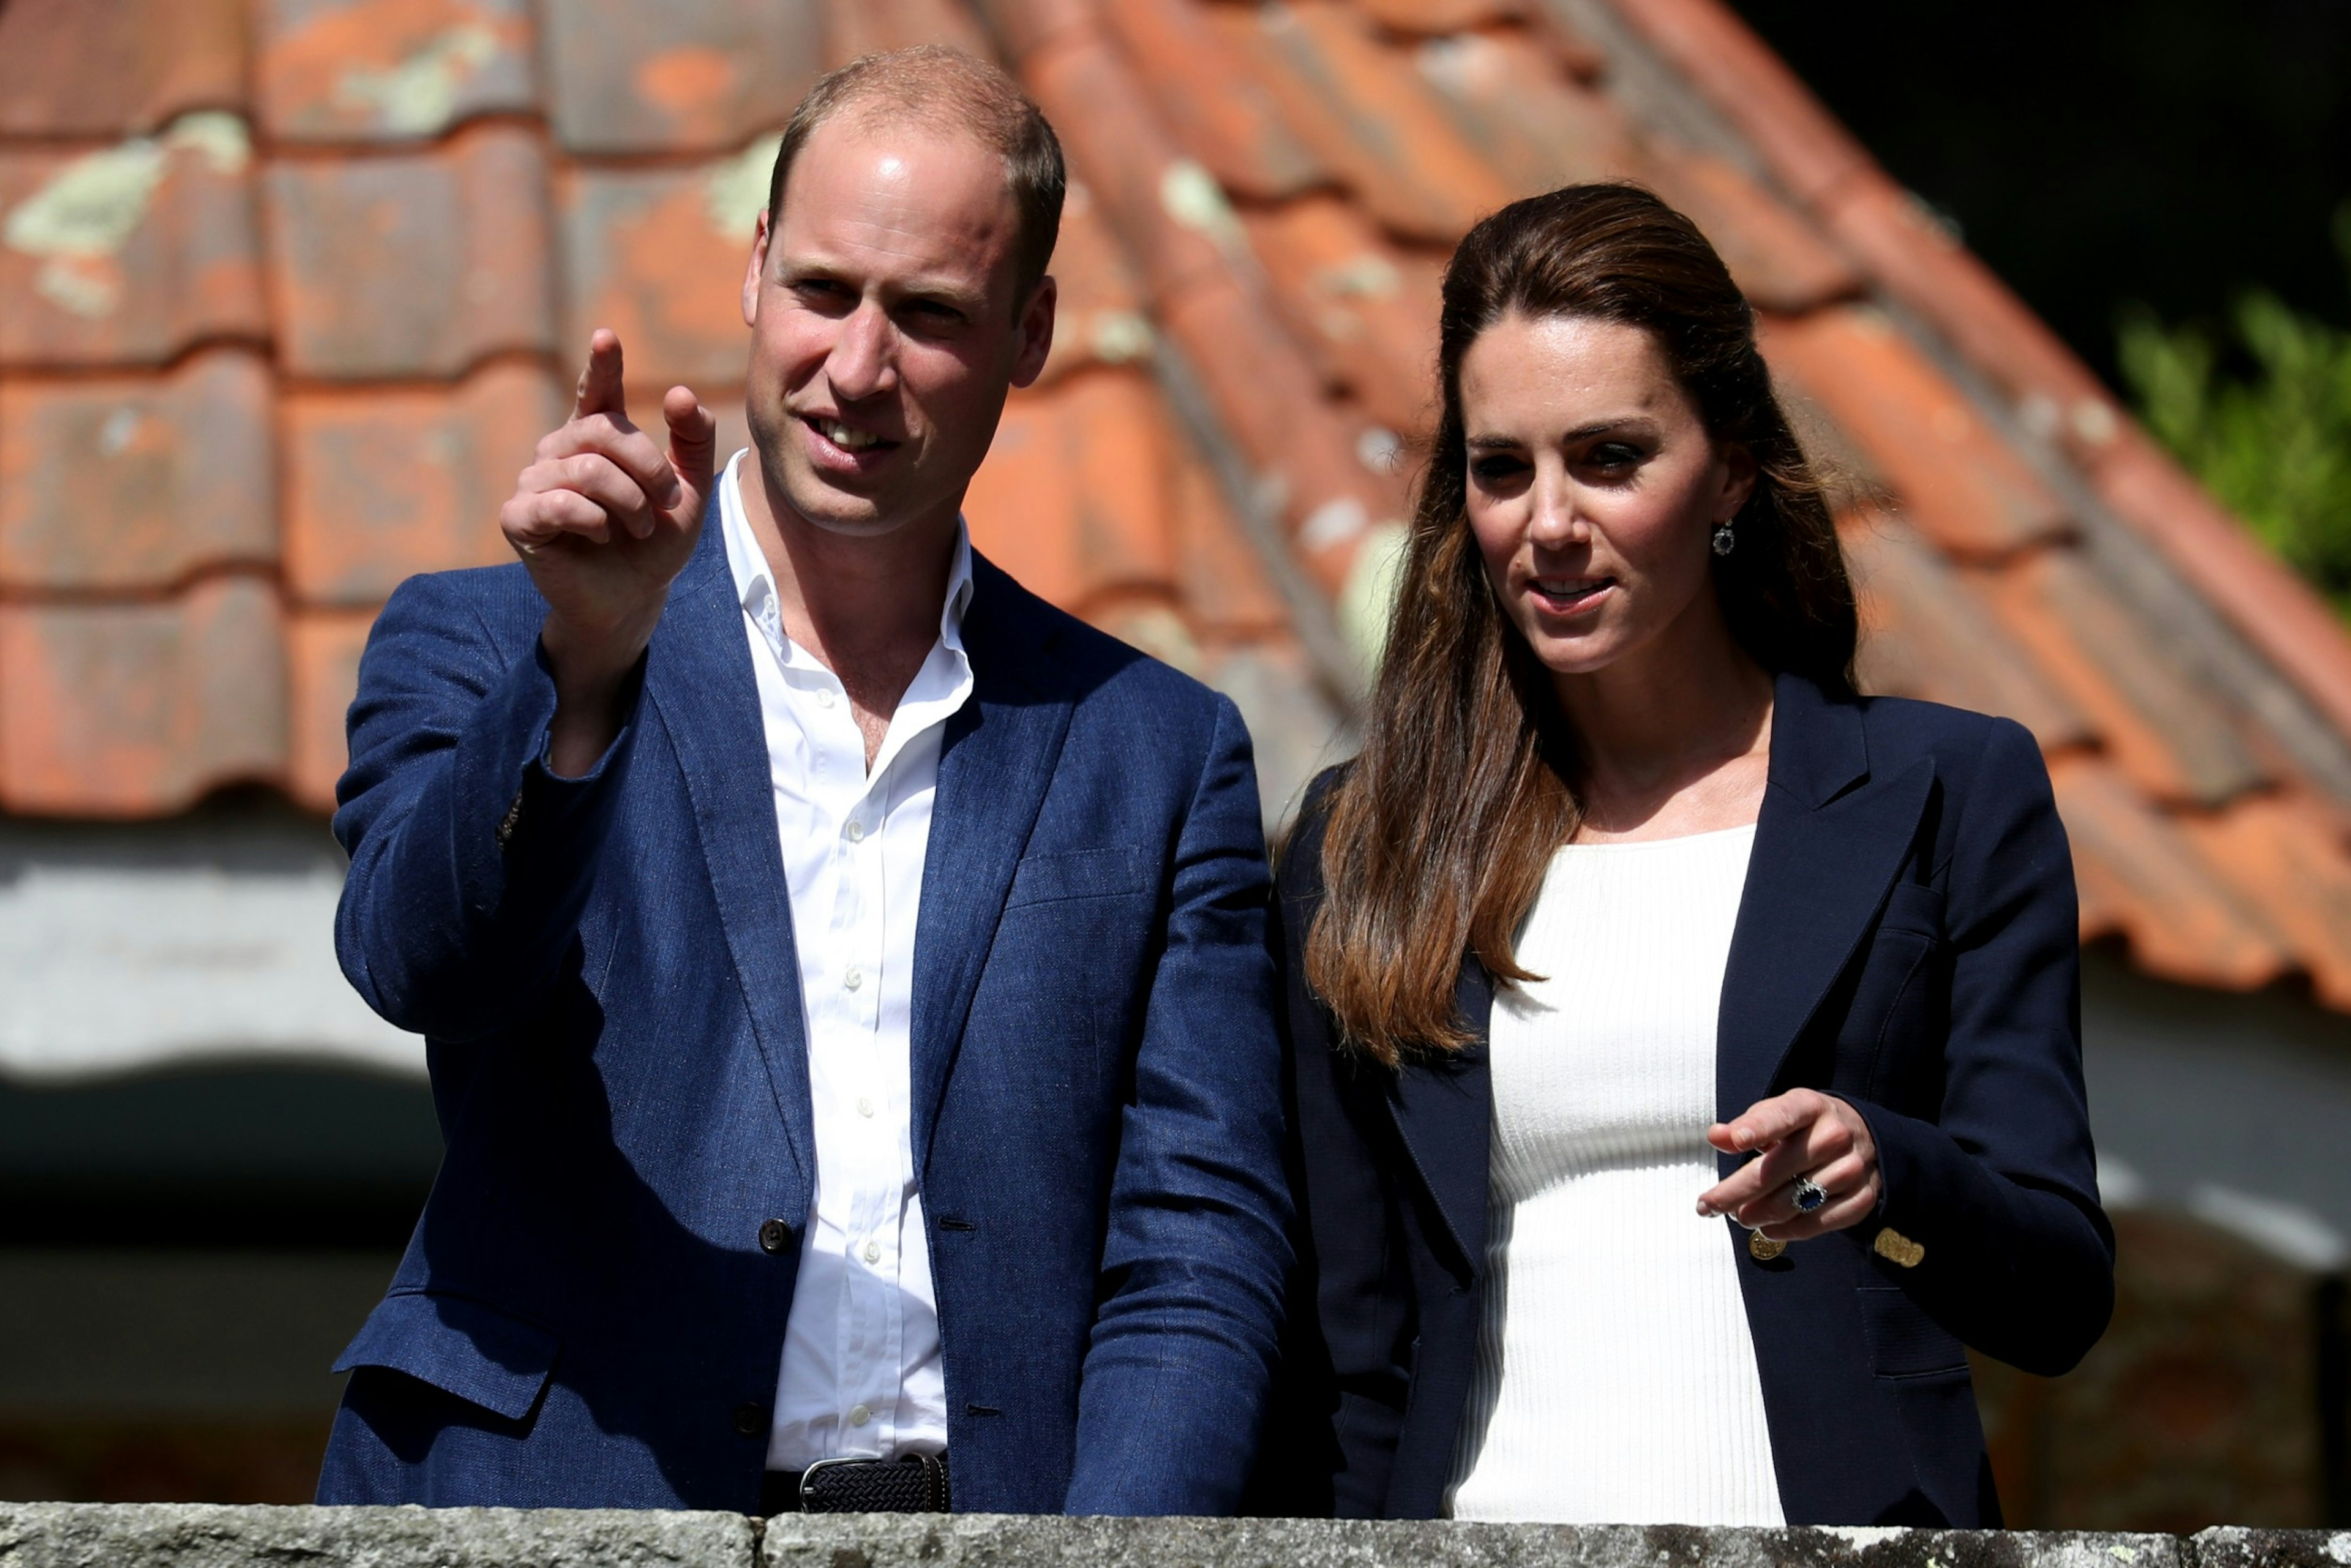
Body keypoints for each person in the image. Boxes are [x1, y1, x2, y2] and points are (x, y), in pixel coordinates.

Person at [315, 47, 1289, 1517]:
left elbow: (1196, 1247)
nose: (858, 368)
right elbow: (423, 965)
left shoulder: (1154, 749)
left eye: (932, 314)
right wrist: (585, 673)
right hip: (556, 1515)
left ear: (1030, 334)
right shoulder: (487, 640)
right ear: (757, 271)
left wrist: (1112, 1565)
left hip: (990, 1537)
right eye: (827, 292)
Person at [1254, 184, 2112, 1526]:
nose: (1546, 521)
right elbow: (1351, 1354)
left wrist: (1887, 1169)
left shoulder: (1949, 792)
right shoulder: (1370, 845)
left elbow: (2057, 1292)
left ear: (1729, 469)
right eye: (1501, 468)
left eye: (1608, 458)